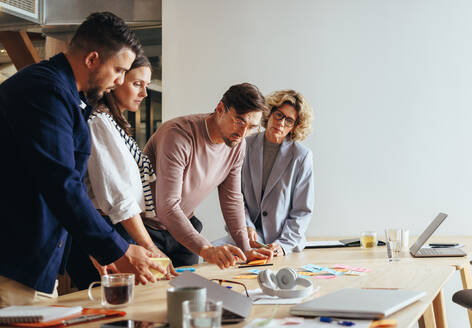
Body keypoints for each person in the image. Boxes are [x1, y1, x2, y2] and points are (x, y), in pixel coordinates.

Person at [0, 12, 164, 307]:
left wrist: (97, 248)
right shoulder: (45, 90)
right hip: (15, 261)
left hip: (31, 259)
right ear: (92, 59)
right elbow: (60, 183)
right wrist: (117, 251)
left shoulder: (67, 96)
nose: (119, 81)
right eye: (118, 70)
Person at [66, 55, 177, 289]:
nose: (144, 93)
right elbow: (119, 197)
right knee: (112, 313)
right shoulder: (98, 123)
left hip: (117, 229)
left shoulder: (113, 123)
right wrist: (150, 246)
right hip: (104, 229)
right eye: (137, 84)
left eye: (147, 85)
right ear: (117, 81)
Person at [142, 83, 273, 269]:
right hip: (146, 230)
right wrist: (206, 248)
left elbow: (232, 199)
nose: (243, 134)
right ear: (220, 109)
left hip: (184, 228)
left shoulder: (237, 144)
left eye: (252, 127)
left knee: (188, 293)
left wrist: (245, 249)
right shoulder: (178, 135)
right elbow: (167, 206)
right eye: (239, 121)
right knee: (148, 296)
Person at [241, 90, 314, 255]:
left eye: (289, 120)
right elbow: (236, 196)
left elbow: (302, 211)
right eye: (279, 115)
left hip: (284, 241)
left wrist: (283, 245)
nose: (281, 123)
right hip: (248, 236)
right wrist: (246, 226)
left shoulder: (301, 157)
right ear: (269, 113)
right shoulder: (244, 146)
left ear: (295, 126)